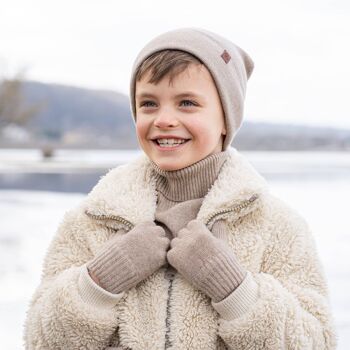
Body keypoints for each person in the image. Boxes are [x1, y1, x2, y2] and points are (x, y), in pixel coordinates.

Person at [23, 27, 337, 349]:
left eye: (186, 103)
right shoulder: (93, 220)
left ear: (227, 118)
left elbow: (316, 342)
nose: (164, 119)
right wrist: (102, 279)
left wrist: (233, 287)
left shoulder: (277, 227)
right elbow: (40, 340)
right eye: (148, 104)